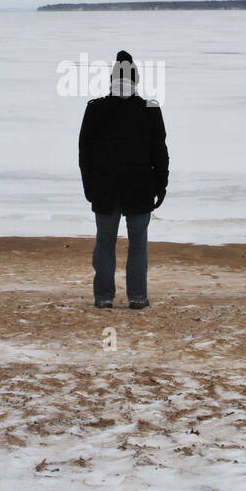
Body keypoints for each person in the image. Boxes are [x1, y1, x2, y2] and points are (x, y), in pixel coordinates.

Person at [78, 50, 169, 309]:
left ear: (110, 80)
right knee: (138, 243)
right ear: (136, 80)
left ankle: (104, 297)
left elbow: (85, 154)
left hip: (104, 189)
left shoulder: (95, 108)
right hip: (140, 188)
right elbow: (160, 152)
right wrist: (161, 185)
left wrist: (89, 186)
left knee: (105, 242)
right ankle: (138, 297)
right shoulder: (150, 109)